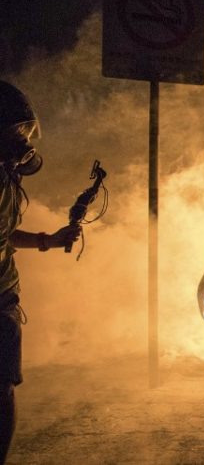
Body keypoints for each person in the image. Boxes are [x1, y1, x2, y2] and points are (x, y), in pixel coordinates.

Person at [0, 81, 81, 463]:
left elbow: (5, 237)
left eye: (24, 132)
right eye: (16, 132)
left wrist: (49, 240)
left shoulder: (6, 182)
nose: (24, 142)